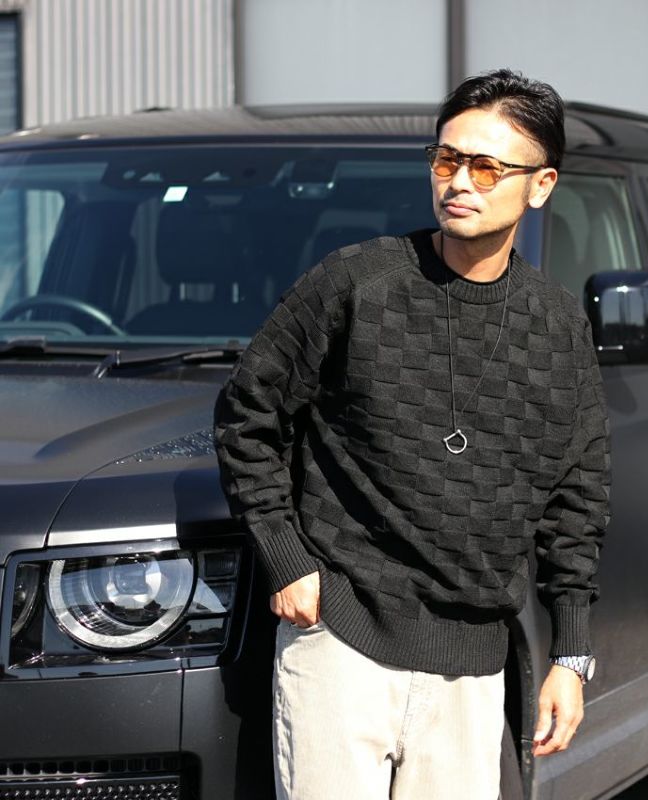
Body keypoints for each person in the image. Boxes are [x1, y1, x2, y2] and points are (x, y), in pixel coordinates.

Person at [213, 68, 611, 800]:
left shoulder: (559, 327)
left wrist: (571, 652)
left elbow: (577, 498)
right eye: (446, 159)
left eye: (487, 167)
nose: (458, 181)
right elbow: (248, 413)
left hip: (474, 664)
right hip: (342, 639)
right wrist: (286, 558)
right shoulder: (356, 283)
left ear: (541, 185)